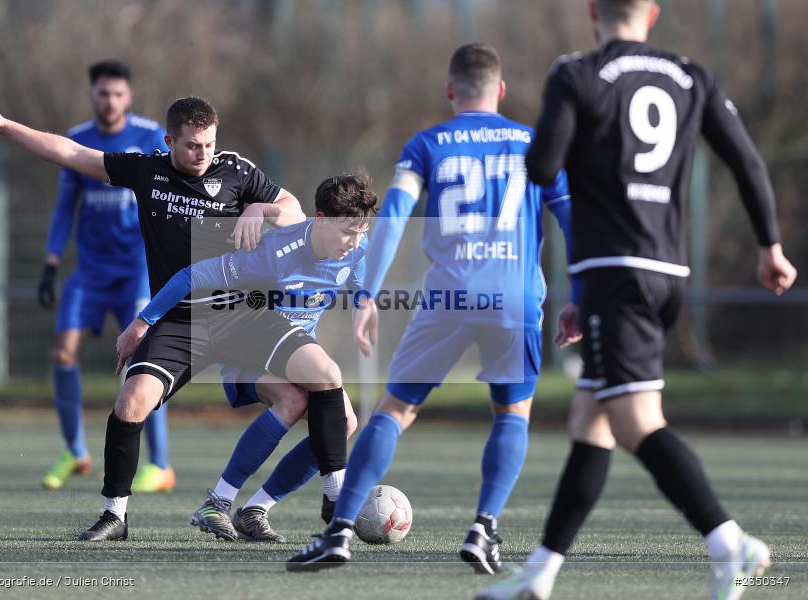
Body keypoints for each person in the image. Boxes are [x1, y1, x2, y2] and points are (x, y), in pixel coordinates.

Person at [475, 2, 797, 599]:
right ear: (652, 14)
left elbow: (543, 165)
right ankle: (539, 575)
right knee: (591, 421)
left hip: (615, 270)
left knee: (635, 422)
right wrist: (769, 246)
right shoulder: (690, 75)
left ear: (593, 12)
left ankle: (730, 543)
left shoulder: (576, 74)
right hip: (666, 272)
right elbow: (745, 160)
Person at [0, 97, 353, 543]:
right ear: (170, 141)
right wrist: (5, 125)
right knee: (131, 401)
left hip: (243, 313)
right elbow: (71, 153)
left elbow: (293, 209)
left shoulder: (237, 170)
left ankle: (333, 496)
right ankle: (115, 515)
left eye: (209, 143)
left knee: (325, 376)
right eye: (192, 145)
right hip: (180, 319)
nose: (203, 153)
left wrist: (257, 208)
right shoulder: (146, 171)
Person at [287, 43, 577, 573]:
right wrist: (580, 296)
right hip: (514, 296)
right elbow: (572, 218)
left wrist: (367, 291)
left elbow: (395, 213)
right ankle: (483, 528)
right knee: (512, 413)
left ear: (450, 90)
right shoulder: (534, 144)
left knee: (395, 411)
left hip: (448, 296)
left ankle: (340, 532)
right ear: (502, 91)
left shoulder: (427, 144)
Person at [116, 173, 376, 542]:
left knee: (344, 423)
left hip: (292, 350)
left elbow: (360, 288)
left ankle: (253, 509)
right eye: (348, 231)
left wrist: (365, 307)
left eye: (362, 231)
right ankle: (330, 496)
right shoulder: (273, 253)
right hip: (246, 348)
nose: (355, 241)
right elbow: (192, 275)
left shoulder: (356, 252)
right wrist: (142, 323)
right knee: (298, 395)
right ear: (320, 220)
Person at [38, 59, 174, 494]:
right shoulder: (78, 141)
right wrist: (51, 261)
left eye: (117, 93)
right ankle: (76, 451)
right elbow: (64, 208)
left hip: (136, 269)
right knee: (63, 354)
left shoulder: (152, 137)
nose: (110, 100)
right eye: (102, 93)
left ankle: (162, 465)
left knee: (143, 361)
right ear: (92, 95)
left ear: (128, 97)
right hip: (90, 271)